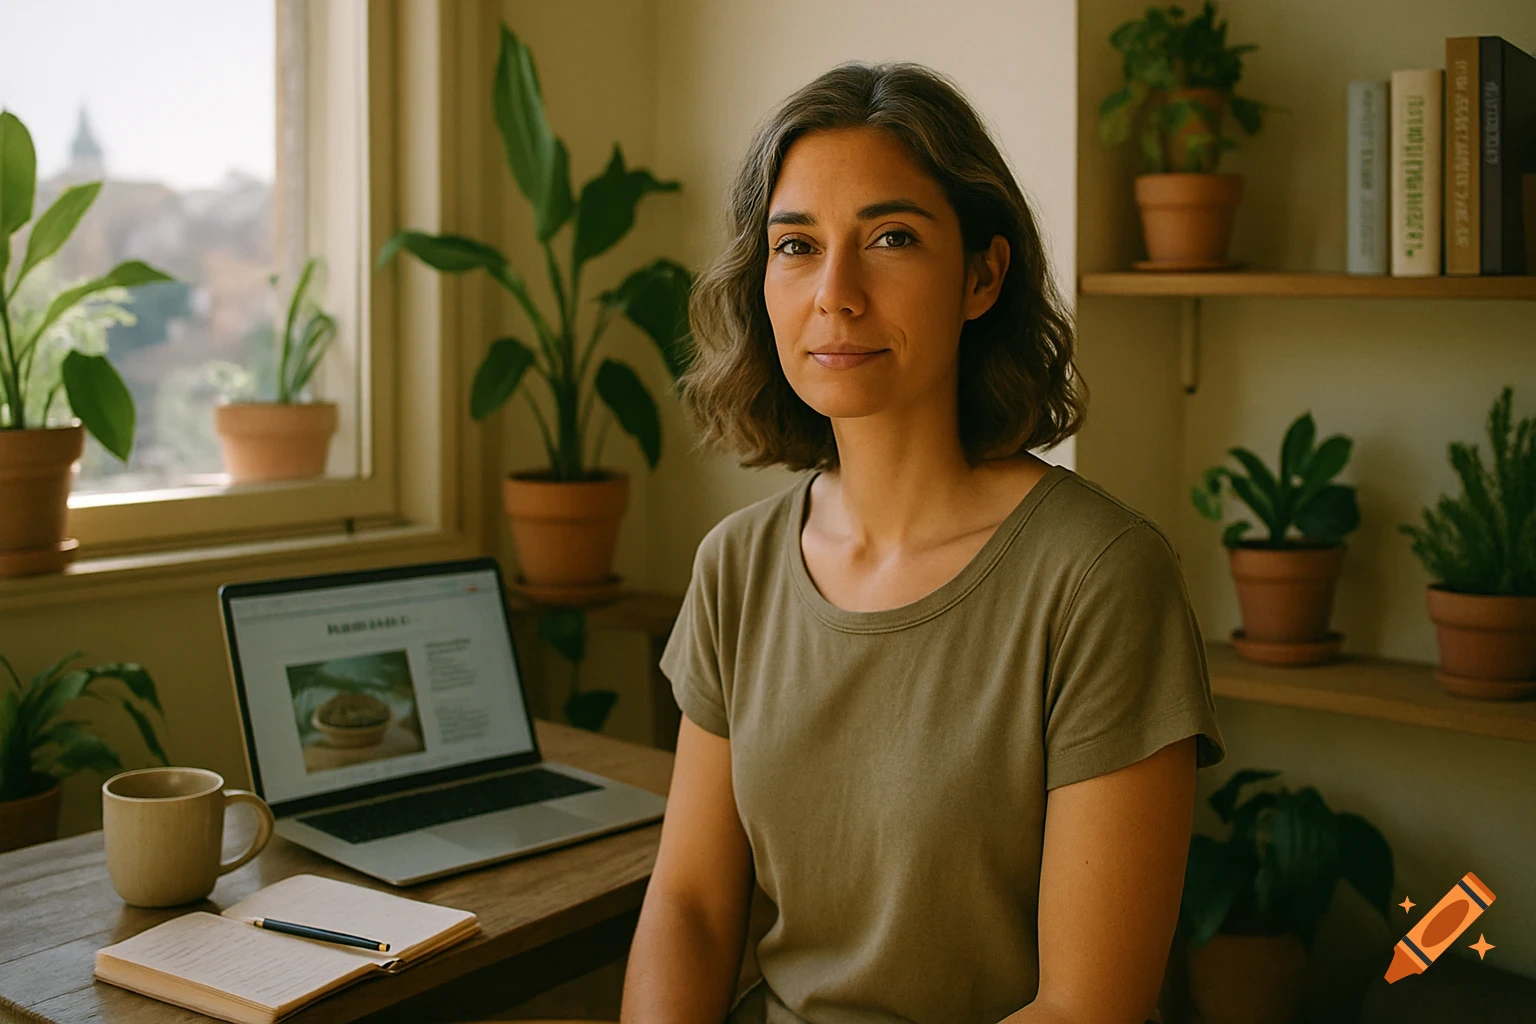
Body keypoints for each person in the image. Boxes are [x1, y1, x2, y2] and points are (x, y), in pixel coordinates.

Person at [621, 60, 1226, 1024]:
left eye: (891, 237)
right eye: (795, 246)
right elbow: (690, 909)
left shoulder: (1100, 579)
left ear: (983, 275)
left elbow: (1087, 1009)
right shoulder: (735, 566)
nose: (836, 292)